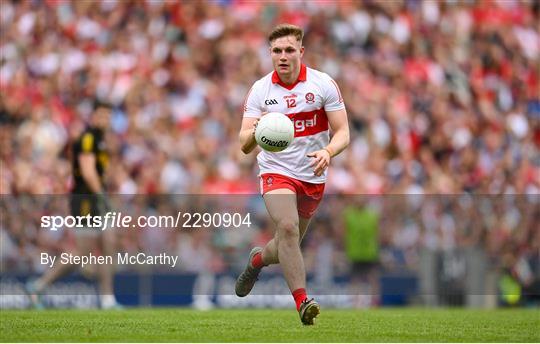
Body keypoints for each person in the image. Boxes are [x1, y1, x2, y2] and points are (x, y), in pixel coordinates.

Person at [236, 24, 349, 325]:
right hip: (276, 169)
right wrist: (259, 130)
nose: (283, 56)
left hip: (312, 174)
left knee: (286, 244)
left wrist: (328, 152)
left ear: (301, 52)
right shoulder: (261, 90)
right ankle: (303, 302)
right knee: (287, 227)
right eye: (276, 51)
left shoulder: (323, 84)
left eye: (289, 50)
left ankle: (257, 260)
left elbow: (343, 132)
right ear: (270, 54)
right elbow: (244, 144)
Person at [26, 105, 121, 309]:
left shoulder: (101, 140)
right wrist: (102, 196)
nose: (105, 121)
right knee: (82, 253)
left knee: (108, 245)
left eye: (108, 117)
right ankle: (39, 285)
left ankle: (107, 299)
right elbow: (87, 172)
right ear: (94, 116)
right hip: (86, 200)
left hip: (94, 198)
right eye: (102, 116)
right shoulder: (88, 139)